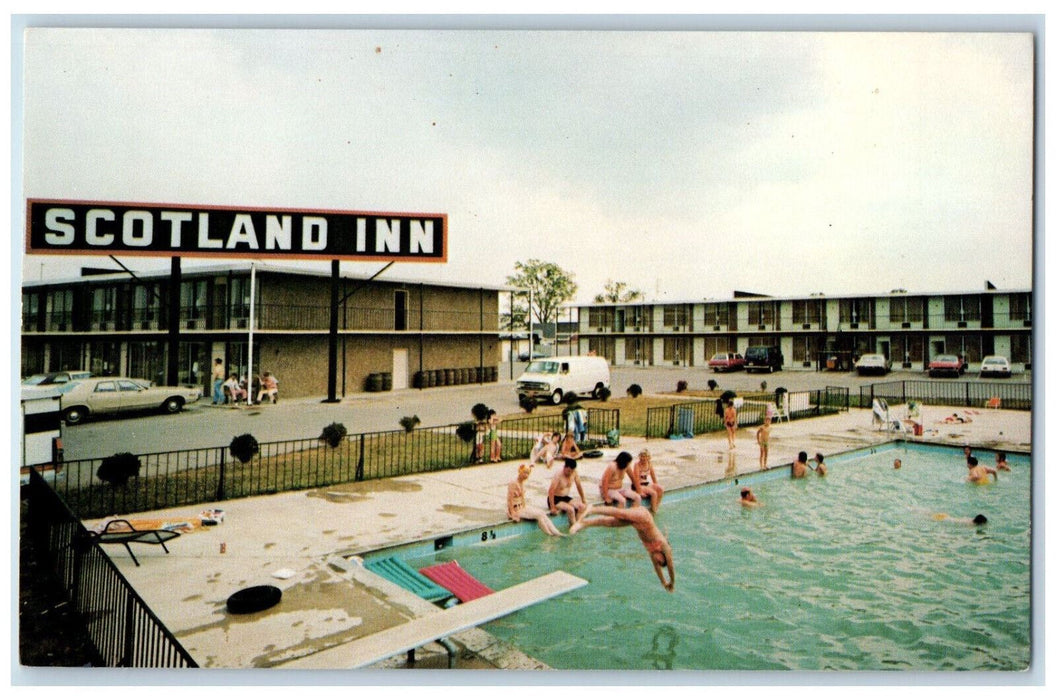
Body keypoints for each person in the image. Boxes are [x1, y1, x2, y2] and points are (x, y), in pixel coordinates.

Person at [570, 504, 674, 592]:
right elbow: (670, 565)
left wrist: (664, 582)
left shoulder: (652, 552)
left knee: (610, 523)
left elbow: (657, 568)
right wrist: (672, 582)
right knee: (619, 513)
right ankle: (592, 509)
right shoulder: (663, 545)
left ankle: (584, 523)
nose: (657, 562)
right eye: (660, 561)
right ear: (663, 556)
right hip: (644, 517)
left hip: (637, 523)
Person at [507, 464, 563, 536]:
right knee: (538, 515)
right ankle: (550, 535)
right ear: (520, 471)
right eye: (525, 472)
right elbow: (509, 500)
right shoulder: (513, 483)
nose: (526, 475)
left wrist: (526, 508)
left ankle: (556, 532)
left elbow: (522, 498)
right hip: (516, 509)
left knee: (542, 513)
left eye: (528, 473)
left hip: (522, 508)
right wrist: (513, 514)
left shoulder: (521, 483)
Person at [547, 458, 588, 526]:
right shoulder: (558, 475)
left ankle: (577, 525)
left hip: (565, 498)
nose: (570, 473)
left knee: (582, 507)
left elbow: (579, 486)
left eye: (572, 471)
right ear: (564, 467)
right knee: (571, 509)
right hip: (555, 499)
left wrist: (583, 499)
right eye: (568, 471)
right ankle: (574, 530)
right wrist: (552, 507)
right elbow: (551, 490)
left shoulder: (574, 473)